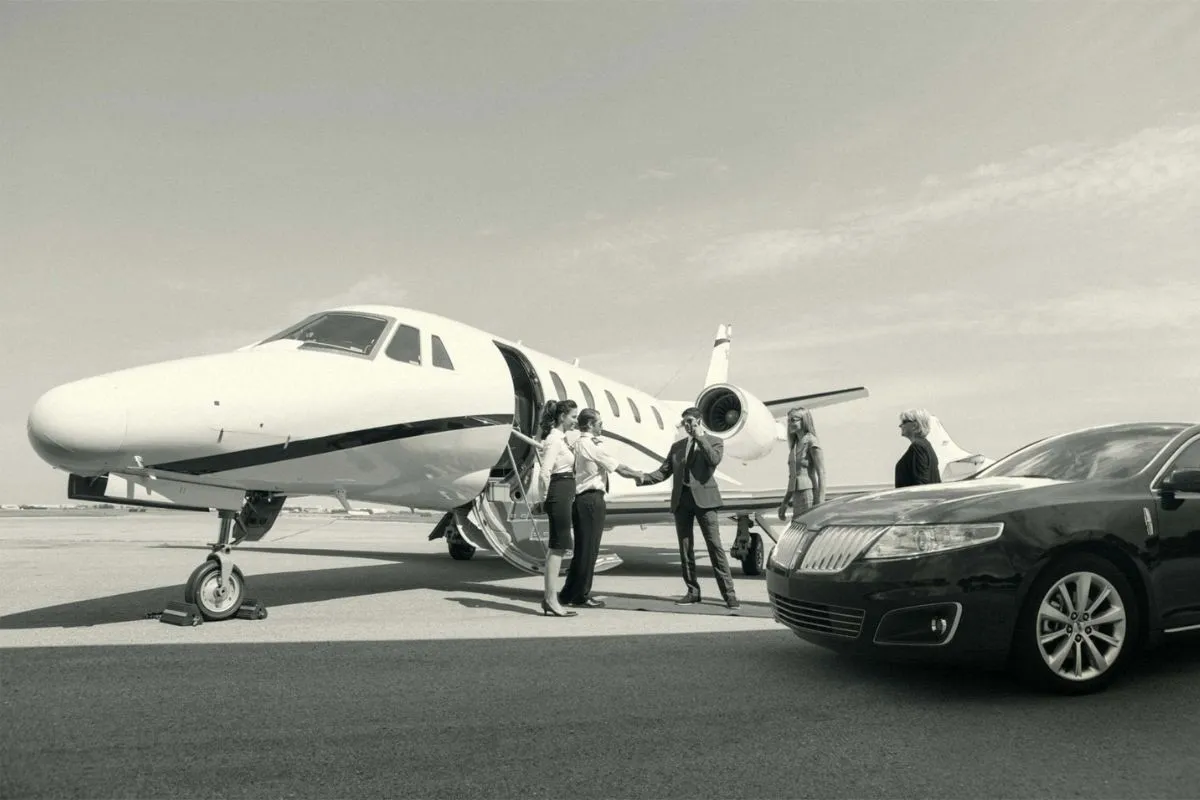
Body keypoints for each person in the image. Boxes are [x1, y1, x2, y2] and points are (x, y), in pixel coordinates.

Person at [636, 407, 739, 609]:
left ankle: (729, 595)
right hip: (682, 502)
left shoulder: (715, 441)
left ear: (699, 422)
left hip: (705, 502)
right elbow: (663, 472)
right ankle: (693, 592)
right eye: (685, 423)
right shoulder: (677, 447)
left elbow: (714, 460)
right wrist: (641, 478)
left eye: (691, 421)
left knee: (715, 547)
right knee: (685, 549)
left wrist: (701, 438)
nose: (688, 426)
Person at [559, 408, 643, 609]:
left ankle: (568, 593)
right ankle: (580, 595)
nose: (602, 427)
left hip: (582, 500)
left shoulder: (579, 444)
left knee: (583, 549)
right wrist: (640, 475)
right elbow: (619, 468)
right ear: (589, 425)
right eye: (599, 423)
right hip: (590, 500)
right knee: (589, 550)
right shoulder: (590, 445)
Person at [532, 399, 579, 617]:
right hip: (558, 492)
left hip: (564, 491)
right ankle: (551, 599)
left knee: (558, 545)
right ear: (562, 417)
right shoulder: (553, 440)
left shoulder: (561, 439)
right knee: (558, 545)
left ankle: (550, 598)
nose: (575, 420)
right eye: (573, 416)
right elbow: (545, 472)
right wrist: (543, 500)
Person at [778, 406, 826, 522]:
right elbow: (793, 478)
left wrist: (820, 501)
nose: (789, 424)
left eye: (793, 420)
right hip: (797, 496)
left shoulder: (811, 441)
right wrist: (784, 503)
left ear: (804, 420)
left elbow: (821, 473)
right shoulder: (794, 446)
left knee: (807, 528)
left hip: (808, 494)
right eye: (788, 420)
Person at [895, 407, 942, 488]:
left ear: (914, 425)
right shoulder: (925, 445)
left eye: (904, 422)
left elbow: (921, 483)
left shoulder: (918, 447)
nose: (900, 425)